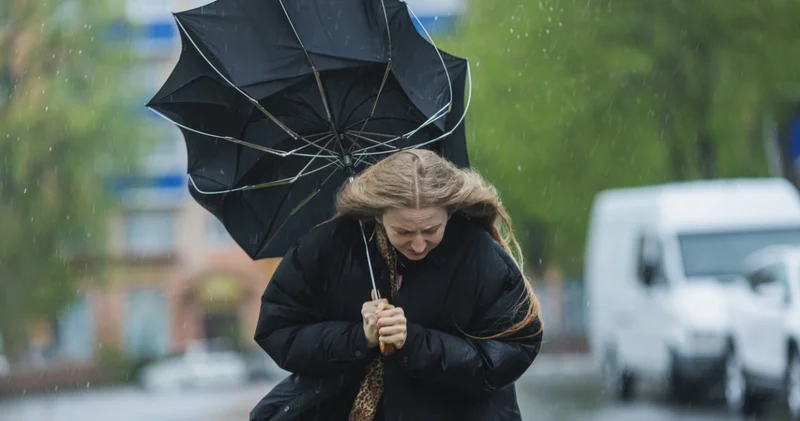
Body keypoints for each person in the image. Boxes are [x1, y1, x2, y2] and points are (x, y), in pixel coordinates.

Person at [250, 149, 543, 421]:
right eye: (403, 231)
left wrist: (414, 342)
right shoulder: (328, 247)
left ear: (450, 212)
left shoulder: (480, 257)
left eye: (431, 230)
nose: (418, 244)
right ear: (378, 214)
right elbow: (278, 330)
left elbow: (511, 351)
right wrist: (358, 338)